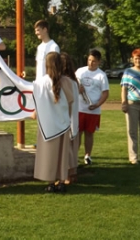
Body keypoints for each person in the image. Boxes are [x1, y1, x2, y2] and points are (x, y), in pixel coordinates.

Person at [32, 52, 73, 193]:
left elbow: (37, 103)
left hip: (47, 124)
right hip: (63, 122)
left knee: (49, 153)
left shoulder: (40, 83)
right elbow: (70, 102)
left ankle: (50, 182)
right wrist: (67, 118)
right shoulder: (66, 81)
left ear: (46, 65)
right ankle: (61, 181)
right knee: (62, 154)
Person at [75, 49, 109, 166]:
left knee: (89, 133)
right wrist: (77, 88)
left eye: (94, 61)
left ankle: (87, 155)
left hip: (93, 111)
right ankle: (74, 156)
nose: (90, 63)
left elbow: (105, 93)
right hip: (79, 108)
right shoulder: (80, 71)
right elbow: (71, 84)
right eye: (89, 60)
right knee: (77, 133)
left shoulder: (101, 75)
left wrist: (97, 104)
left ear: (99, 62)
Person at [60, 52, 79, 183]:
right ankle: (73, 172)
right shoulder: (74, 81)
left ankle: (67, 174)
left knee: (67, 148)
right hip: (74, 117)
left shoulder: (66, 82)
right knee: (73, 147)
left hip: (68, 117)